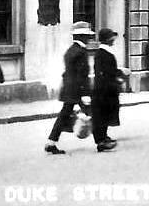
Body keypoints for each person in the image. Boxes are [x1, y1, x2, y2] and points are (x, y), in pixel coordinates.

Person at [45, 21, 93, 155]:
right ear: (81, 36)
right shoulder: (80, 52)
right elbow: (81, 75)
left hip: (69, 89)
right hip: (77, 90)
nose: (89, 39)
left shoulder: (71, 50)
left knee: (64, 115)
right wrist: (85, 93)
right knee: (93, 112)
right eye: (87, 36)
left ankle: (51, 142)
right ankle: (101, 141)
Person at [91, 28, 122, 152]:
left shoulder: (106, 52)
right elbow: (106, 72)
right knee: (101, 114)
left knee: (107, 113)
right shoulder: (102, 54)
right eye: (111, 37)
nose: (113, 40)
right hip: (104, 89)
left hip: (108, 88)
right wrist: (119, 73)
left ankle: (104, 137)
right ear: (107, 39)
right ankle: (101, 141)